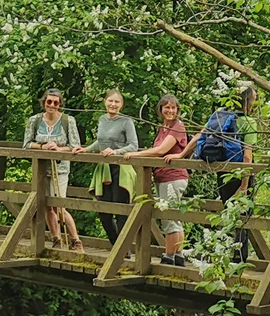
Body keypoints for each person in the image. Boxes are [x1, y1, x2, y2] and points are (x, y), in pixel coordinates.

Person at [190, 85, 258, 262]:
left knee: (229, 214)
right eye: (253, 99)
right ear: (248, 102)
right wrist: (244, 186)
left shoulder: (219, 116)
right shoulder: (249, 122)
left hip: (223, 173)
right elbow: (247, 156)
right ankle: (238, 261)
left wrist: (181, 155)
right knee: (243, 219)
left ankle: (225, 256)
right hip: (240, 175)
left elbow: (199, 136)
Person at [125, 94, 194, 266]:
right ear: (161, 109)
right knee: (173, 216)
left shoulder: (177, 127)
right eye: (167, 107)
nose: (170, 111)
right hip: (163, 176)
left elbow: (160, 150)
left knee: (168, 217)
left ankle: (169, 256)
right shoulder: (163, 127)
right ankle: (178, 255)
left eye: (173, 107)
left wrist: (136, 154)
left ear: (178, 110)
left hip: (173, 176)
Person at [23, 88, 84, 250]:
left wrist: (58, 149)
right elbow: (27, 144)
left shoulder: (68, 120)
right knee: (47, 206)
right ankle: (56, 238)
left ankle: (75, 240)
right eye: (49, 101)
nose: (52, 105)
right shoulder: (34, 120)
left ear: (60, 104)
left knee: (59, 205)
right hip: (41, 169)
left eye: (56, 103)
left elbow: (75, 146)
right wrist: (42, 147)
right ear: (44, 102)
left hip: (60, 168)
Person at [84, 88, 140, 240]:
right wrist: (85, 149)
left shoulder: (126, 121)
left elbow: (133, 145)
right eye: (110, 101)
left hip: (121, 169)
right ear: (105, 102)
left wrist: (116, 152)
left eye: (117, 102)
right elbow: (101, 142)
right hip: (104, 169)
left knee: (120, 209)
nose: (113, 104)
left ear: (121, 104)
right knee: (103, 210)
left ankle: (122, 248)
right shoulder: (102, 119)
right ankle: (116, 244)